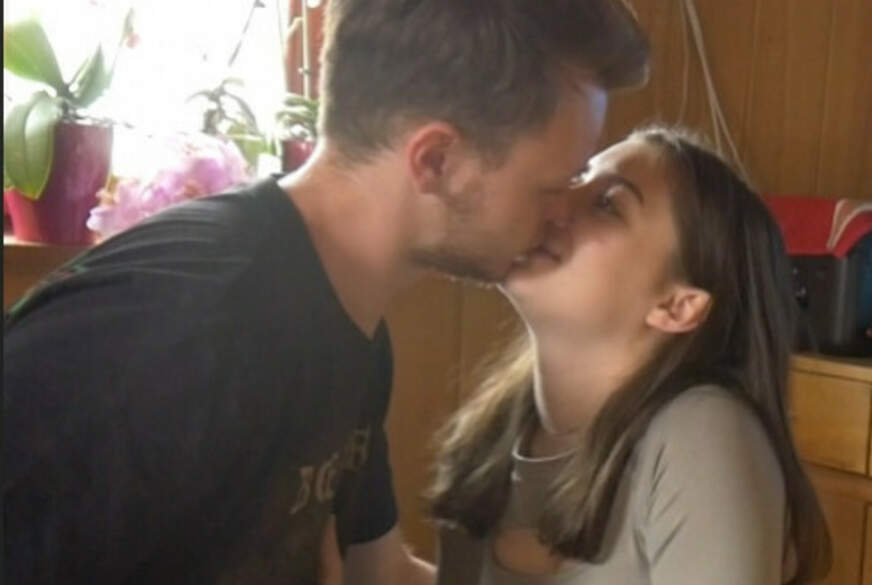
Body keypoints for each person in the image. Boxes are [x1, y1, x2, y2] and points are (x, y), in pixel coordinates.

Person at [3, 1, 650, 584]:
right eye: (553, 186)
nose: (564, 217)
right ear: (436, 161)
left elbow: (381, 572)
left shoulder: (350, 322)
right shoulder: (178, 325)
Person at [430, 126, 832, 585]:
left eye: (607, 204)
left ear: (676, 306)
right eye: (576, 177)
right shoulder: (488, 437)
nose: (556, 202)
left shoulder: (702, 432)